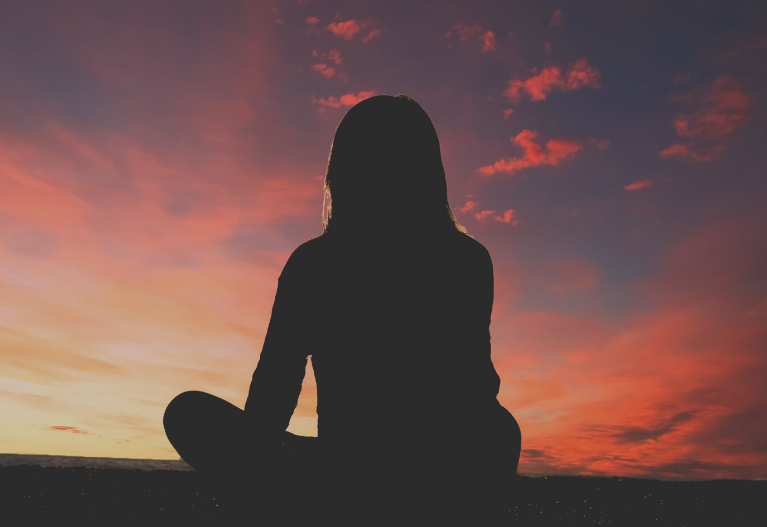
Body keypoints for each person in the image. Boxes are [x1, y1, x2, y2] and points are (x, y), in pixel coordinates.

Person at [164, 94, 521, 523]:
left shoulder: (315, 263)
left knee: (188, 413)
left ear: (342, 170)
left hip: (355, 474)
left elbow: (271, 399)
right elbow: (476, 390)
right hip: (420, 470)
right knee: (500, 429)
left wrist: (248, 471)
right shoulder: (468, 259)